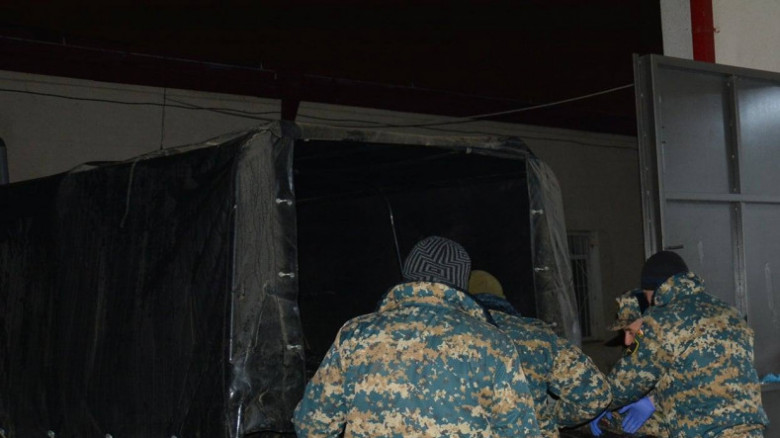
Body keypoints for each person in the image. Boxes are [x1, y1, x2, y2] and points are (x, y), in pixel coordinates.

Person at [293, 236, 543, 437]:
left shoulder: (355, 334)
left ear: (408, 276)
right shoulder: (492, 342)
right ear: (461, 282)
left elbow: (311, 424)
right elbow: (520, 432)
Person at [602, 251, 769, 437]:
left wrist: (591, 406)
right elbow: (707, 382)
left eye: (646, 293)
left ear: (654, 289)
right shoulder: (731, 313)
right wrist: (654, 400)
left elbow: (624, 383)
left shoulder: (659, 319)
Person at [468, 270, 611, 438]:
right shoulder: (535, 333)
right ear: (502, 298)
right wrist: (549, 418)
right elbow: (595, 394)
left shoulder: (454, 337)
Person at [589, 289, 668, 437]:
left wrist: (654, 401)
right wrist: (602, 406)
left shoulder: (677, 344)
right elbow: (623, 383)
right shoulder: (637, 347)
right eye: (624, 332)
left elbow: (698, 387)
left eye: (632, 332)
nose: (626, 341)